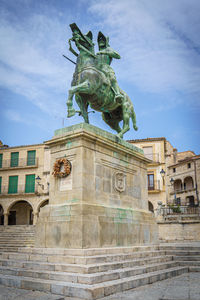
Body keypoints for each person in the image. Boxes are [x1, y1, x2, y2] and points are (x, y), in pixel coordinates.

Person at [97, 31, 123, 103]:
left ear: (105, 41)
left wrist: (104, 52)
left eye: (102, 40)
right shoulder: (97, 53)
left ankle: (117, 94)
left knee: (112, 78)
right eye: (99, 40)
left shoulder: (108, 49)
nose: (100, 41)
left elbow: (118, 56)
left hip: (107, 69)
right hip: (98, 69)